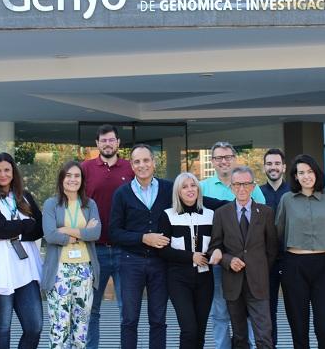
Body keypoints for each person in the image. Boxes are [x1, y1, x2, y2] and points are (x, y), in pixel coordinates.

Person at [200, 141, 266, 349]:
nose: (223, 161)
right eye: (218, 157)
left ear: (234, 158)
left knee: (248, 312)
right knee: (219, 312)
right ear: (212, 161)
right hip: (220, 261)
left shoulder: (250, 185)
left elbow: (263, 220)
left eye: (227, 157)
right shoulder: (203, 187)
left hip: (249, 264)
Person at [0, 152, 44, 349]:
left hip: (26, 271)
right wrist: (25, 224)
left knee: (34, 327)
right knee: (2, 328)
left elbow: (39, 228)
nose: (2, 174)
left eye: (7, 170)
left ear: (13, 172)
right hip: (0, 273)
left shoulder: (25, 197)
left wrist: (14, 229)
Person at [109, 144, 172, 349]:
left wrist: (233, 203)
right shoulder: (122, 193)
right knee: (129, 320)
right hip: (131, 263)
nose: (142, 165)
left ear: (154, 163)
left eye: (146, 160)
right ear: (131, 166)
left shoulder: (169, 189)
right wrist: (143, 238)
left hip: (161, 263)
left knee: (158, 320)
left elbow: (197, 199)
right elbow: (114, 232)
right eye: (137, 161)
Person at [208, 166, 277, 349]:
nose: (242, 188)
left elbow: (272, 250)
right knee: (239, 337)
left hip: (258, 284)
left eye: (246, 184)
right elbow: (215, 247)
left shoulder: (266, 212)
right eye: (237, 184)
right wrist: (228, 261)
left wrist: (259, 269)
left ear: (253, 186)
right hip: (233, 283)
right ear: (231, 187)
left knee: (263, 335)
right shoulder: (221, 213)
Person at [276, 154, 325, 349]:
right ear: (295, 176)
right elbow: (279, 231)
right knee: (299, 327)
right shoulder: (287, 200)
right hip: (294, 266)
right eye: (301, 172)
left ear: (316, 173)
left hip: (324, 266)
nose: (306, 176)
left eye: (309, 171)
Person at [82, 124, 134, 349]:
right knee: (91, 309)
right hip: (95, 249)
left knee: (127, 310)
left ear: (118, 143)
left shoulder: (131, 168)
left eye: (111, 140)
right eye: (103, 140)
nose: (107, 144)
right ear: (97, 144)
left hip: (125, 250)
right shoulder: (85, 168)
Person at [41, 161, 101, 349]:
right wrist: (79, 235)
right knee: (59, 328)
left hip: (85, 270)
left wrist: (65, 229)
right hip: (59, 272)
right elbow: (50, 235)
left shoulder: (90, 204)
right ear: (61, 178)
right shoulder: (51, 204)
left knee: (81, 329)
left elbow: (96, 233)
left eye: (77, 176)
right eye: (68, 175)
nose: (73, 179)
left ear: (82, 180)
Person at [158, 172, 214, 349]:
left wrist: (212, 253)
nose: (190, 190)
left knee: (200, 331)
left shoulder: (211, 214)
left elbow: (218, 243)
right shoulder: (168, 215)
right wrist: (191, 257)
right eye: (184, 186)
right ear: (178, 192)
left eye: (193, 185)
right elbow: (163, 250)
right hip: (178, 279)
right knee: (189, 329)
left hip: (205, 279)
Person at [259, 148, 290, 348]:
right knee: (268, 311)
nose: (273, 167)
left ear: (284, 167)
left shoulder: (293, 192)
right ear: (264, 167)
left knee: (296, 308)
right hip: (266, 261)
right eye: (269, 164)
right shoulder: (257, 193)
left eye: (277, 163)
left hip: (291, 259)